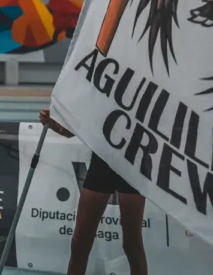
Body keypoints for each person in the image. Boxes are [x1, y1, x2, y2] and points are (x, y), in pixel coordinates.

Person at [39, 109, 148, 275]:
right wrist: (55, 124)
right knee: (80, 242)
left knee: (132, 245)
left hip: (132, 165)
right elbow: (74, 129)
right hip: (102, 163)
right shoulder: (100, 94)